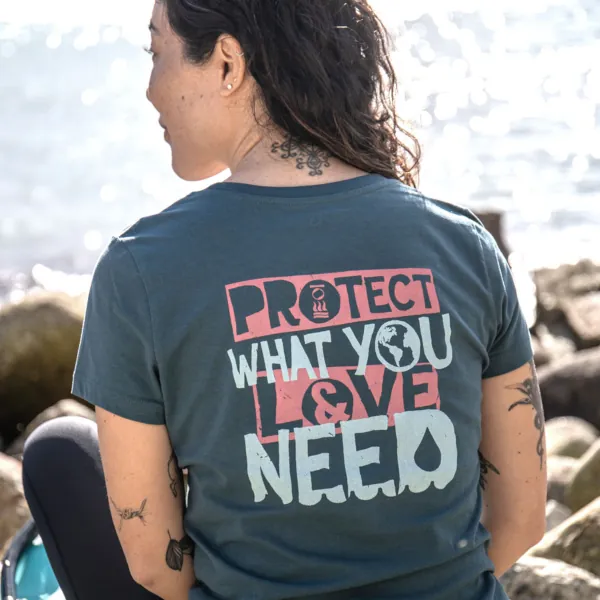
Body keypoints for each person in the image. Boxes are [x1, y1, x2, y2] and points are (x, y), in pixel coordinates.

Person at [22, 1, 547, 599]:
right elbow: (520, 520)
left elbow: (155, 567)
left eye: (156, 53)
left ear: (227, 63)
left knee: (58, 452)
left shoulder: (140, 267)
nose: (149, 89)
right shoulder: (465, 245)